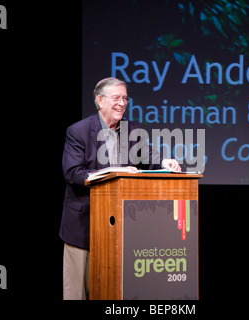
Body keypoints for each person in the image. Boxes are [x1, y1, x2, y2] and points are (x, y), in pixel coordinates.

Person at [60, 77, 181, 300]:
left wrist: (165, 163)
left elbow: (148, 156)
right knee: (76, 294)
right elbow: (72, 173)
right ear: (100, 101)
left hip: (121, 229)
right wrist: (114, 174)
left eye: (125, 98)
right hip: (83, 227)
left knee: (111, 293)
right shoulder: (78, 131)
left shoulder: (132, 129)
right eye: (116, 98)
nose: (122, 103)